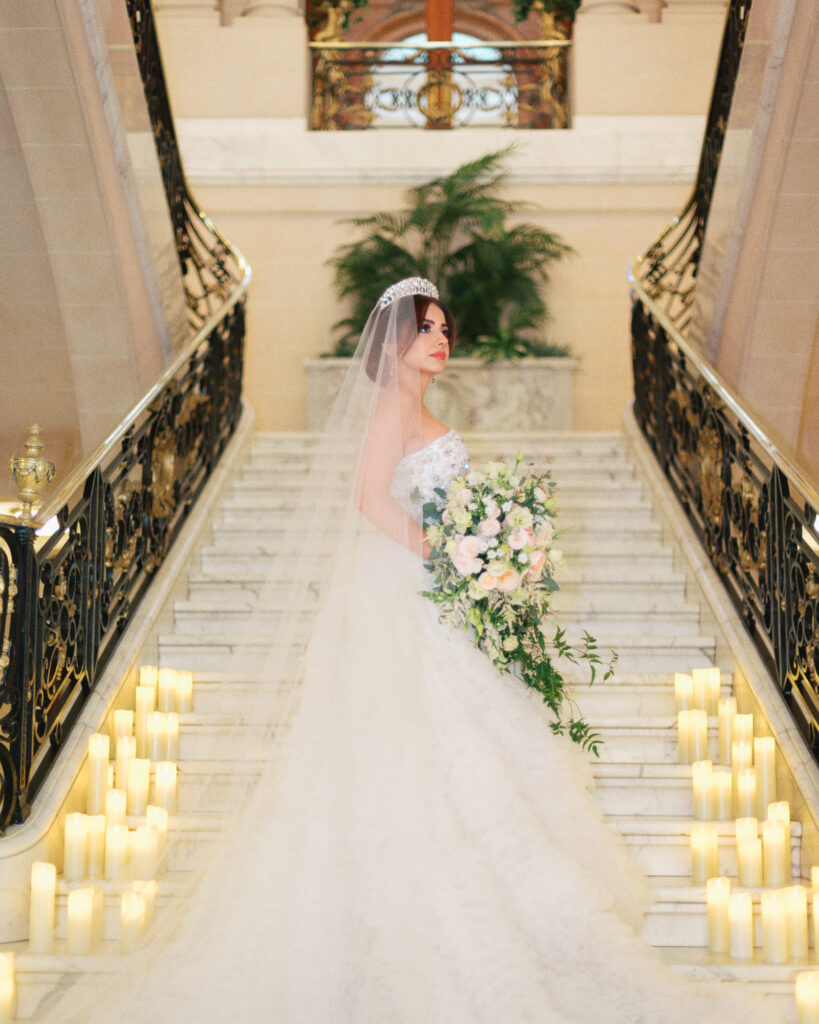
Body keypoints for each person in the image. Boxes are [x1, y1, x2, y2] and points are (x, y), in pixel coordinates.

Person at [44, 279, 784, 1023]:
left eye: (444, 329)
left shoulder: (425, 413)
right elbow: (369, 498)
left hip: (440, 597)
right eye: (426, 329)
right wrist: (446, 550)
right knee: (417, 752)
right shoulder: (390, 411)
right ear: (392, 346)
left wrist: (490, 553)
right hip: (406, 595)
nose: (440, 339)